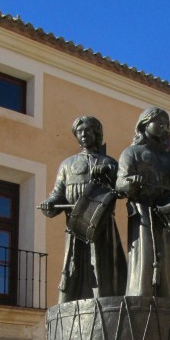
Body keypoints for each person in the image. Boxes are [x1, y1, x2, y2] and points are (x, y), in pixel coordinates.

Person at [39, 116, 126, 303]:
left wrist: (106, 175)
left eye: (88, 130)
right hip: (75, 226)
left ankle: (104, 306)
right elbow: (58, 193)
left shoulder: (110, 163)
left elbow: (121, 191)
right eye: (80, 132)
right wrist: (49, 204)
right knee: (74, 267)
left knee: (103, 269)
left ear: (97, 133)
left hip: (102, 227)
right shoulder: (67, 165)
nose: (84, 134)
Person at [116, 107, 170, 299]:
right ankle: (141, 296)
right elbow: (119, 183)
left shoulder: (168, 158)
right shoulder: (131, 153)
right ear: (144, 124)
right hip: (142, 212)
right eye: (158, 123)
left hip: (166, 214)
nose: (163, 128)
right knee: (145, 255)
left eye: (166, 125)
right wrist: (131, 182)